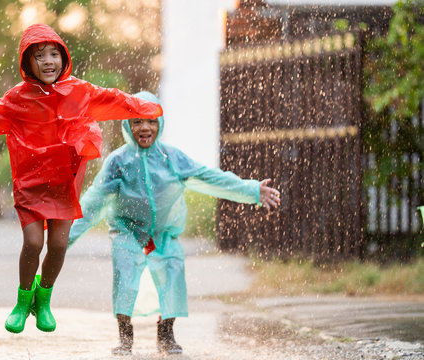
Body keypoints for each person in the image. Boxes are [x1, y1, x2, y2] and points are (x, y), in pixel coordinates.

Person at [0, 24, 162, 334]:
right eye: (40, 56)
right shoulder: (18, 97)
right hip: (30, 183)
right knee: (33, 242)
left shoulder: (80, 91)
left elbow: (113, 99)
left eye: (54, 54)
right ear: (27, 63)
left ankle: (43, 299)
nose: (48, 61)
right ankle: (22, 300)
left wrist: (143, 107)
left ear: (63, 57)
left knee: (58, 246)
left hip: (63, 183)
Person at [67, 91, 281, 355]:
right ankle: (125, 335)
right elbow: (91, 204)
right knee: (125, 274)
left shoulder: (172, 158)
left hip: (164, 234)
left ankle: (166, 333)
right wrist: (62, 240)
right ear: (126, 125)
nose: (145, 127)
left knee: (172, 276)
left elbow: (210, 177)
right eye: (136, 121)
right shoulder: (118, 162)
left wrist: (250, 190)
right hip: (128, 232)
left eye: (152, 121)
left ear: (160, 124)